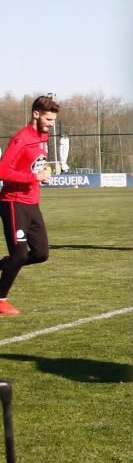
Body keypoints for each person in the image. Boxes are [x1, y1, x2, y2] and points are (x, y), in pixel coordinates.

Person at [0, 96, 59, 316]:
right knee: (19, 255)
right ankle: (0, 299)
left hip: (33, 203)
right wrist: (34, 176)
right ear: (35, 114)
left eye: (53, 120)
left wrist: (41, 177)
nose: (51, 124)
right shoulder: (20, 139)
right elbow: (2, 171)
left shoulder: (44, 136)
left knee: (41, 254)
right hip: (13, 202)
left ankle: (6, 265)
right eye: (48, 119)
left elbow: (35, 165)